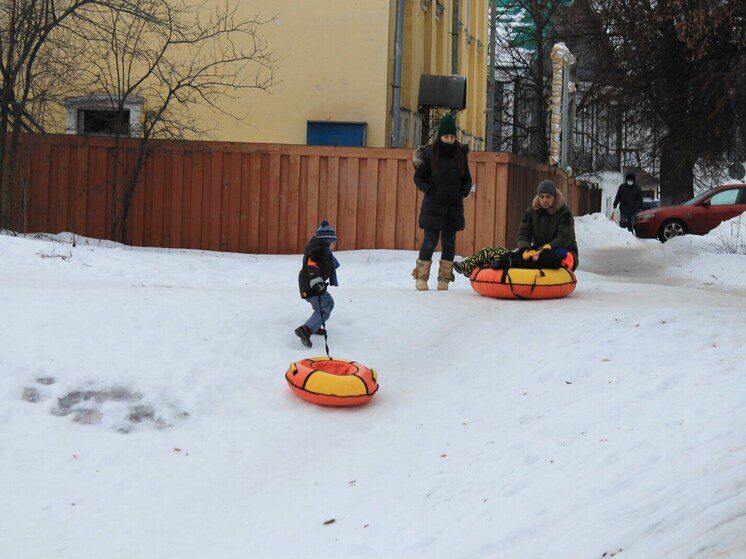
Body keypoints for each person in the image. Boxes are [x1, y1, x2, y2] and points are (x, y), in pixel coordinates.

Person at [454, 180, 578, 275]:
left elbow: (565, 238)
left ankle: (509, 263)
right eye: (541, 196)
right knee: (497, 251)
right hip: (536, 252)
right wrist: (525, 249)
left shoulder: (564, 213)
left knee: (545, 257)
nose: (544, 200)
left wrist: (547, 247)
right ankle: (468, 266)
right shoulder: (532, 212)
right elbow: (523, 233)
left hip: (560, 252)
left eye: (548, 196)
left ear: (554, 197)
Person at [411, 114, 473, 291]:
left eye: (452, 137)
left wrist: (463, 191)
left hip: (453, 206)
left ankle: (444, 279)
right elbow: (418, 178)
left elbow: (467, 179)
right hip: (433, 205)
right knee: (430, 241)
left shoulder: (460, 155)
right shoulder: (430, 154)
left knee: (449, 243)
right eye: (446, 137)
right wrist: (429, 190)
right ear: (440, 137)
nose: (449, 140)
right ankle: (421, 277)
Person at [295, 220, 339, 348]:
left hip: (310, 283)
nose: (332, 243)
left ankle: (314, 326)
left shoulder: (318, 246)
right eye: (331, 240)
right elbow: (311, 265)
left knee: (327, 303)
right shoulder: (319, 249)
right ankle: (306, 330)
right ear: (326, 239)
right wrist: (317, 283)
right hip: (311, 284)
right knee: (325, 306)